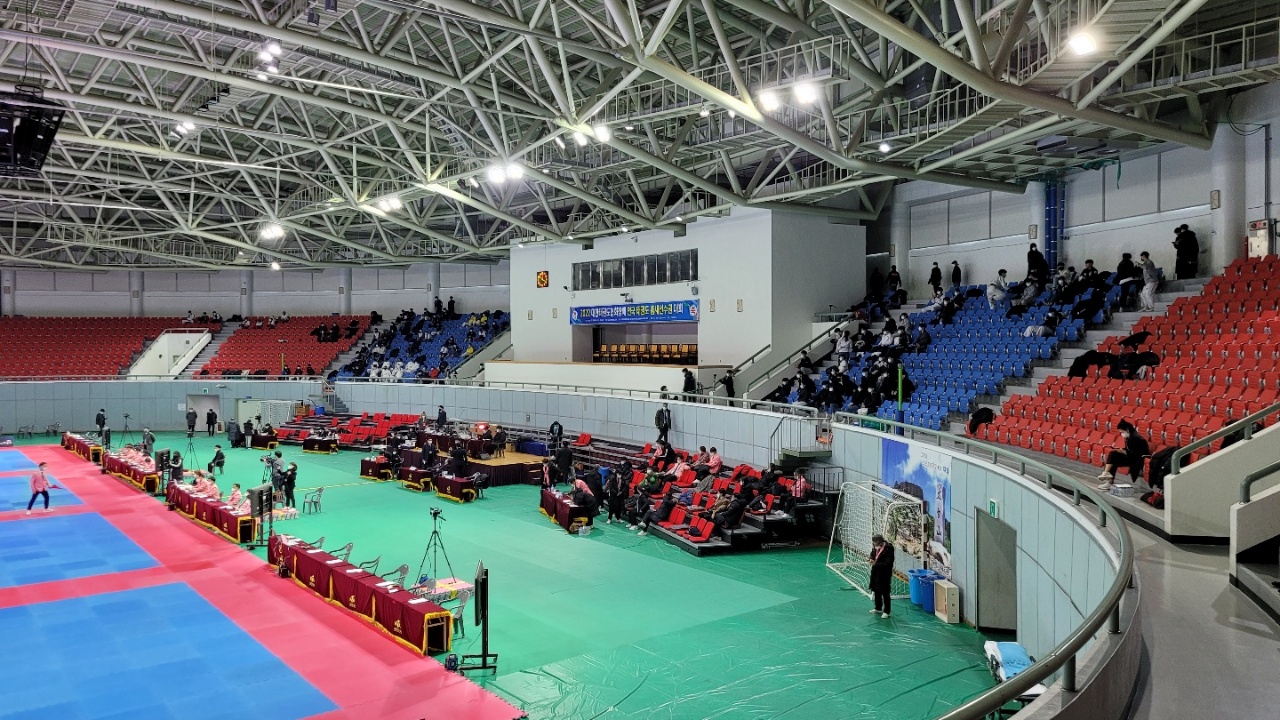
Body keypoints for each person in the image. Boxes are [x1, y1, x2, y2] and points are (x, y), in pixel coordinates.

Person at [1098, 420, 1151, 490]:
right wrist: (1122, 450)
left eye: (1122, 432)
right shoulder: (1129, 437)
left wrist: (1124, 452)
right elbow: (1129, 449)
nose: (1121, 434)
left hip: (1138, 460)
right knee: (1113, 456)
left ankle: (1107, 475)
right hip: (1131, 457)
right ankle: (1108, 477)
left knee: (1113, 456)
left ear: (1127, 430)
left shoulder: (1136, 438)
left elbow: (1136, 454)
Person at [869, 533, 895, 618]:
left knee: (885, 592)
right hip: (876, 572)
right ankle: (878, 608)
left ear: (880, 542)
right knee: (876, 590)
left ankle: (887, 611)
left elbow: (888, 564)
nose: (874, 545)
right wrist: (871, 558)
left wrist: (876, 563)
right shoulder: (875, 547)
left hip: (885, 574)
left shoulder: (889, 549)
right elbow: (873, 554)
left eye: (875, 543)